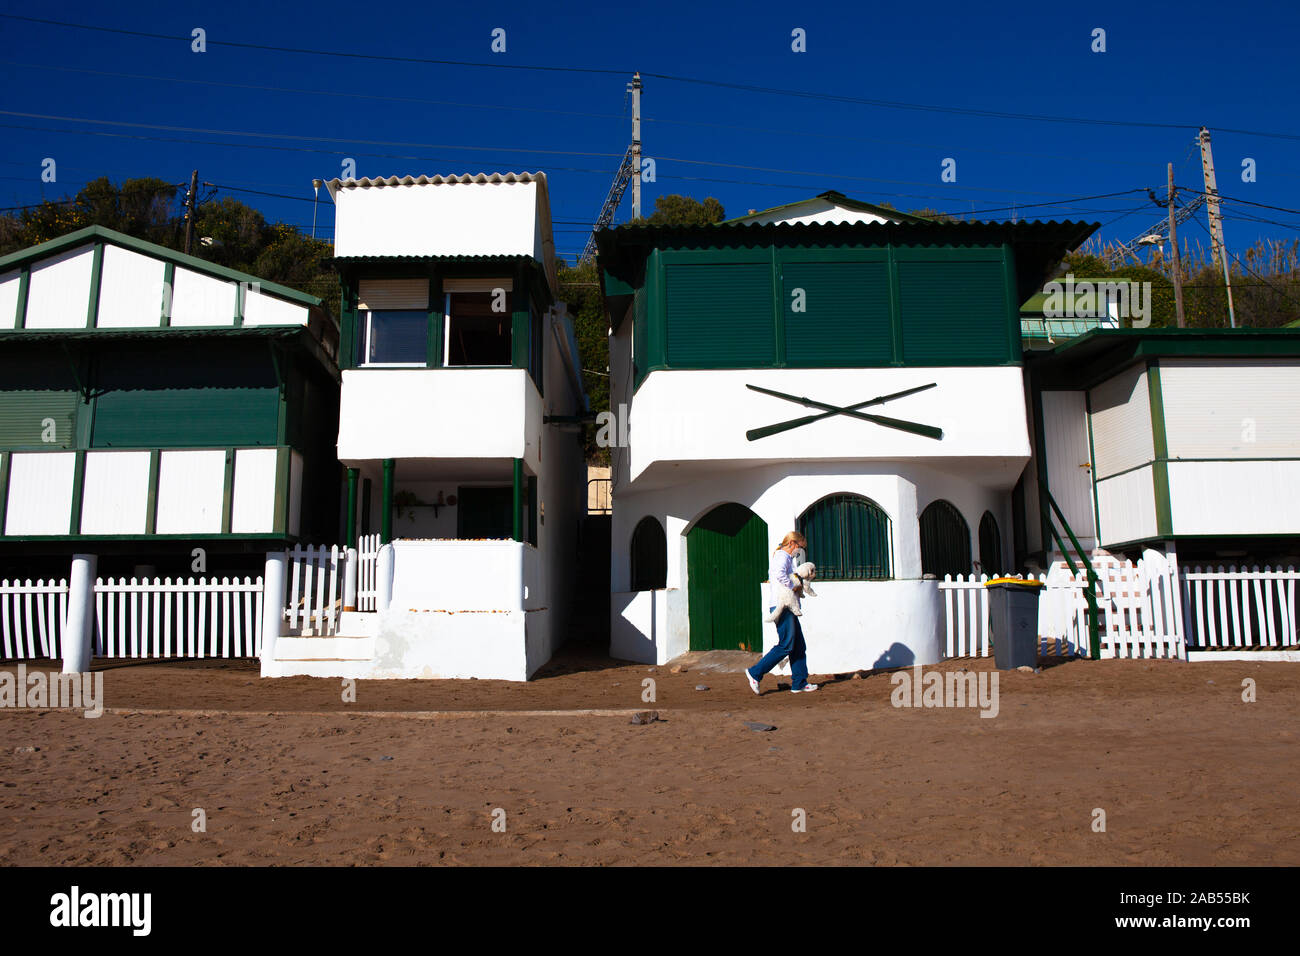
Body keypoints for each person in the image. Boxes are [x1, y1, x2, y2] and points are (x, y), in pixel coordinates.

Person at [744, 531, 818, 695]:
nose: (798, 551)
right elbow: (779, 574)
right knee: (787, 644)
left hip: (787, 605)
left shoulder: (785, 557)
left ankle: (799, 682)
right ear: (792, 543)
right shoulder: (782, 556)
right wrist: (793, 587)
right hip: (782, 605)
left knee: (798, 645)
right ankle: (755, 673)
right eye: (799, 547)